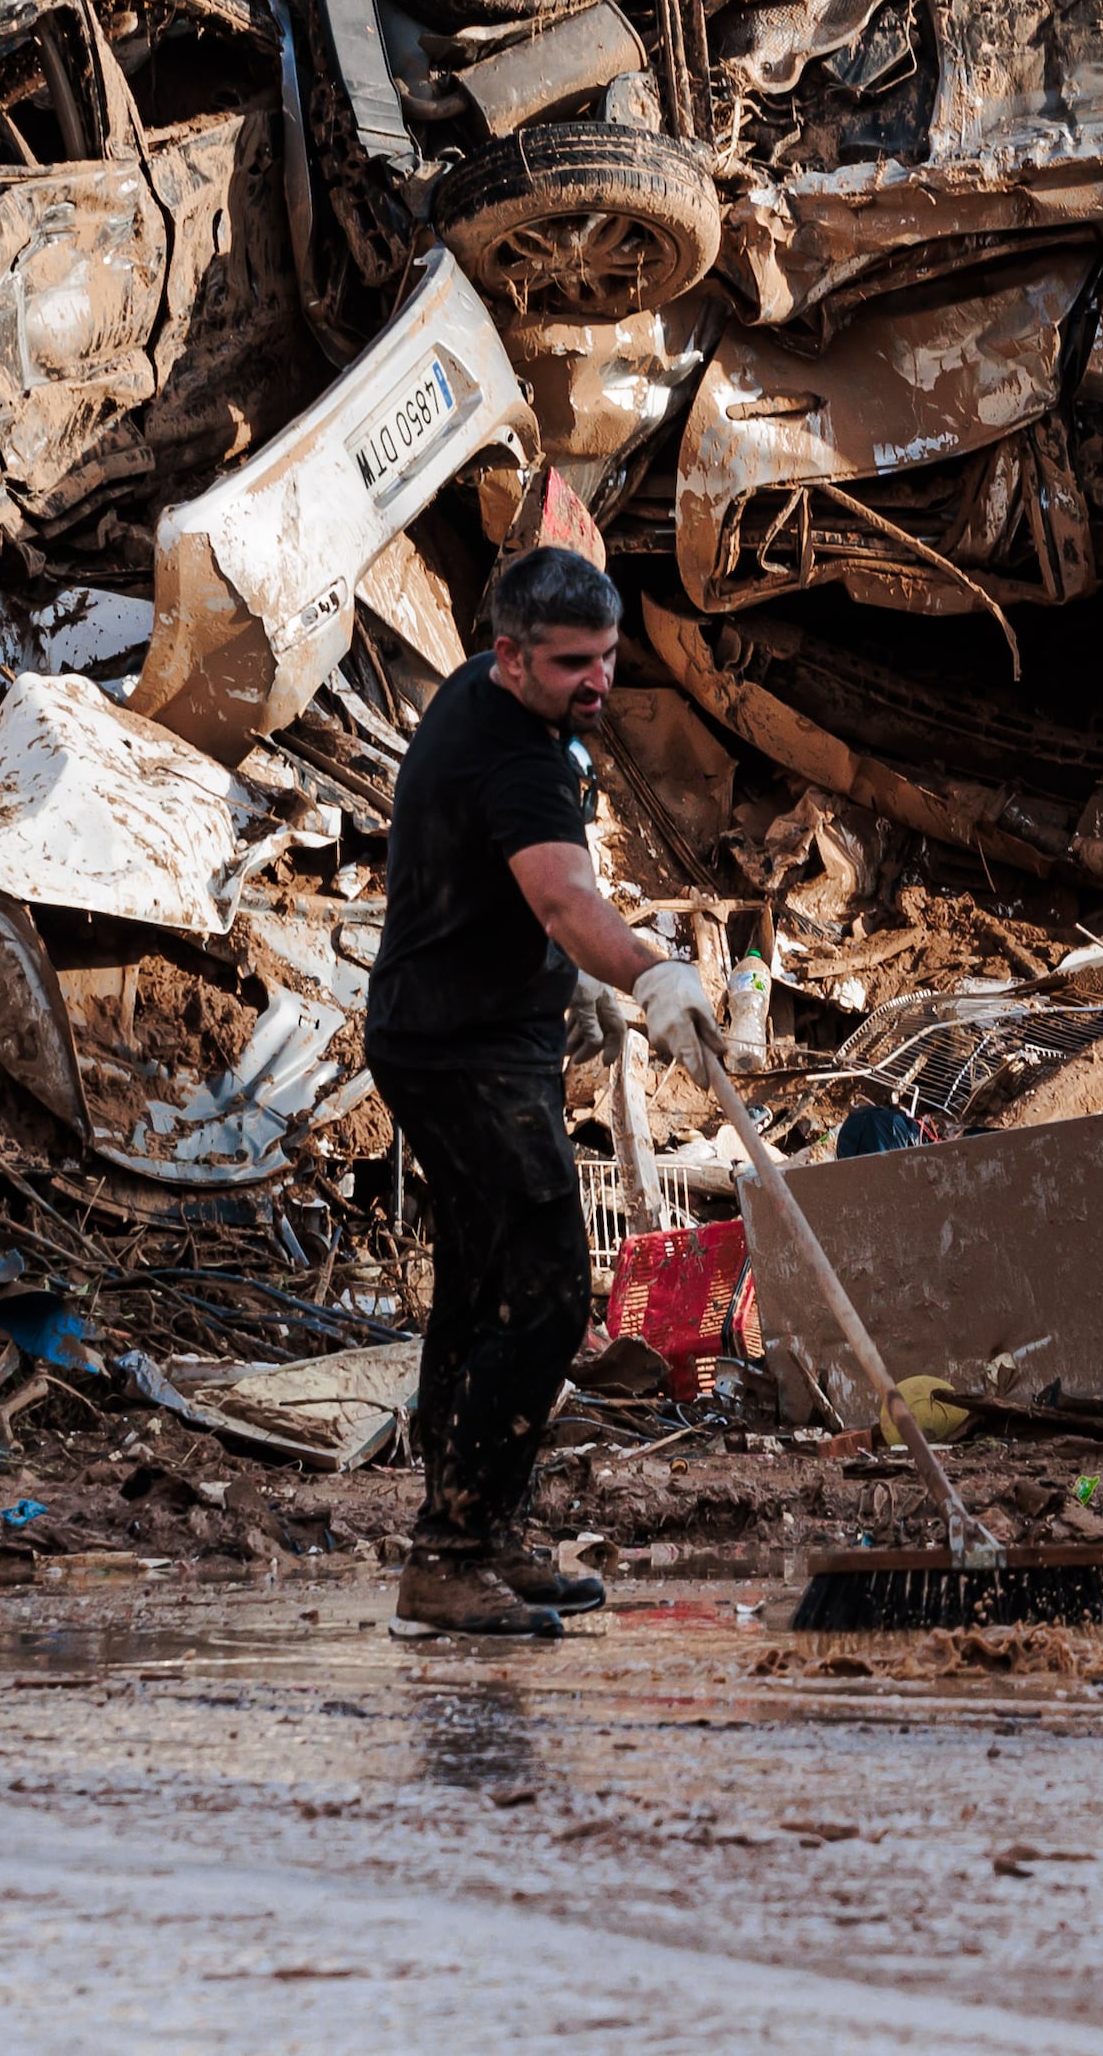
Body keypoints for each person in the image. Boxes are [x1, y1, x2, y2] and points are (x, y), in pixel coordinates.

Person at [366, 540, 716, 1638]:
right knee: (551, 1286)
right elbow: (564, 901)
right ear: (510, 656)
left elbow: (529, 902)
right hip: (458, 1051)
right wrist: (648, 973)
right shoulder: (517, 755)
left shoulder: (495, 704)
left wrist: (576, 985)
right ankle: (449, 1554)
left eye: (607, 657)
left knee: (480, 1288)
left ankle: (480, 1531)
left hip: (459, 1032)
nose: (598, 682)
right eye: (574, 664)